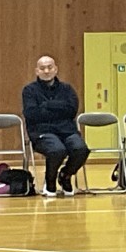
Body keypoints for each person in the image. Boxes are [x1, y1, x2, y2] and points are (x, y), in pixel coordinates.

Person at [22, 55, 89, 197]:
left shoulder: (67, 89)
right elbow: (32, 113)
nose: (46, 71)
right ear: (37, 71)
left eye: (49, 67)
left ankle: (65, 175)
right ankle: (50, 181)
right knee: (57, 150)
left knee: (81, 149)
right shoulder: (29, 90)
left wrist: (47, 105)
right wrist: (59, 109)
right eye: (42, 68)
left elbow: (71, 110)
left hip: (67, 131)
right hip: (42, 132)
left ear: (56, 69)